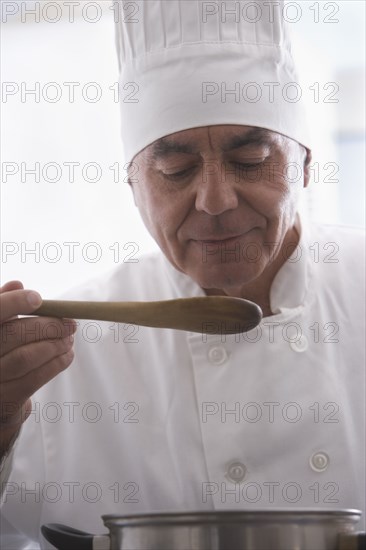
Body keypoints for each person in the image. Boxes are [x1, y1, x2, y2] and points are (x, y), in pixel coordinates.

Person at [1, 1, 365, 548]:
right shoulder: (67, 352)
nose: (214, 201)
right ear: (132, 186)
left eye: (251, 159)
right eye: (175, 170)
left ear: (306, 163)